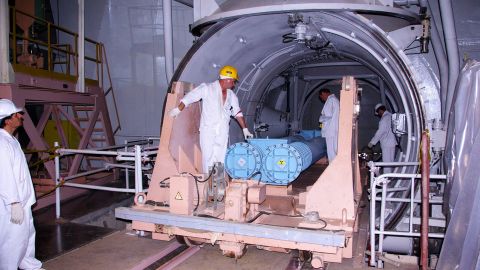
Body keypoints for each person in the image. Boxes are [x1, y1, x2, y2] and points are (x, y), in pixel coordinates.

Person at [169, 65, 254, 173]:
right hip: (208, 129)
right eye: (233, 81)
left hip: (222, 131)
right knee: (208, 157)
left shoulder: (232, 95)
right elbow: (190, 97)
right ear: (227, 79)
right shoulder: (207, 88)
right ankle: (209, 185)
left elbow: (237, 112)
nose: (234, 84)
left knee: (220, 157)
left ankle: (217, 185)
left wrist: (245, 129)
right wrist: (178, 109)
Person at [0, 99, 43, 270]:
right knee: (12, 239)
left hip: (23, 200)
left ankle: (29, 265)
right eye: (17, 114)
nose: (21, 116)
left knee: (26, 235)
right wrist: (13, 202)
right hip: (12, 203)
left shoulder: (11, 140)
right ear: (7, 119)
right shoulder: (1, 144)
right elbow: (4, 176)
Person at [368, 103, 397, 173]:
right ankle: (390, 178)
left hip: (386, 144)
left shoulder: (384, 119)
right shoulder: (391, 116)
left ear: (380, 110)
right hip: (393, 143)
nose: (379, 115)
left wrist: (372, 142)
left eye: (378, 113)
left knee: (386, 163)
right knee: (391, 162)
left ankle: (386, 180)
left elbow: (380, 132)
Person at [318, 88, 340, 162]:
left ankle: (333, 167)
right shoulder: (334, 100)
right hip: (332, 129)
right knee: (334, 149)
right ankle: (335, 166)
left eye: (321, 96)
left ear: (324, 93)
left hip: (330, 130)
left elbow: (329, 116)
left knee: (331, 151)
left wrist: (321, 118)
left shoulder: (331, 100)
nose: (322, 99)